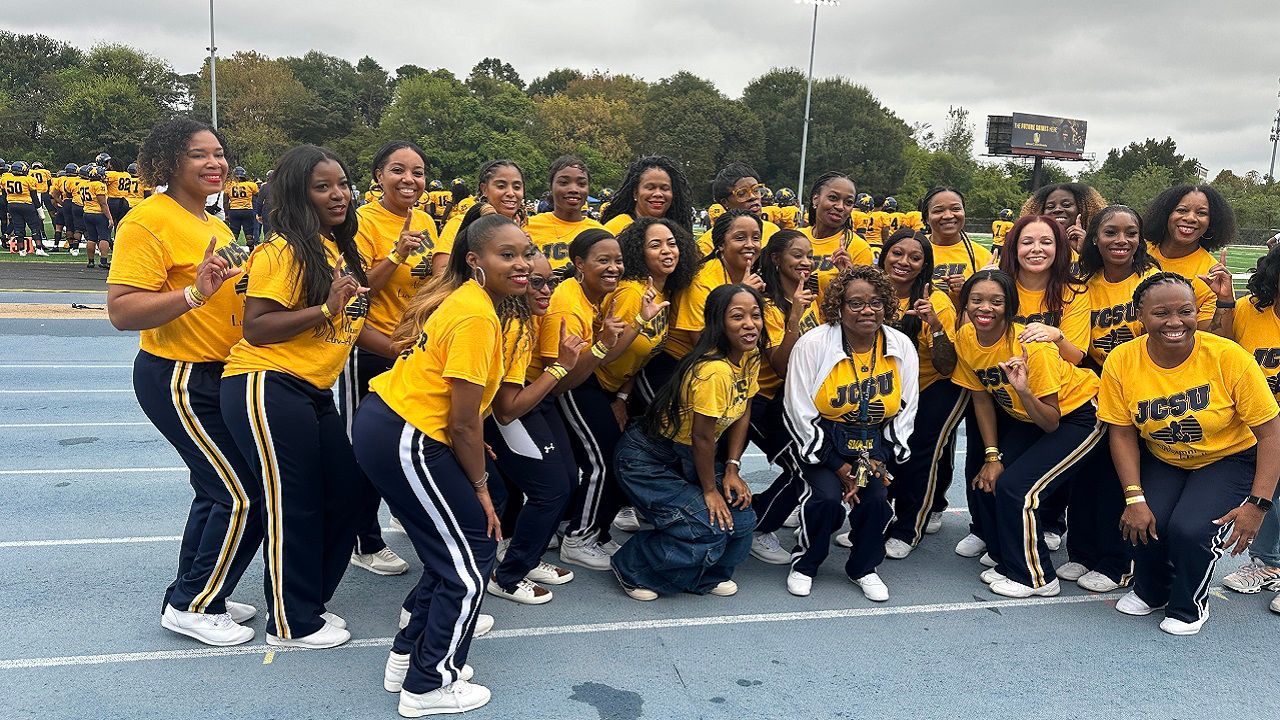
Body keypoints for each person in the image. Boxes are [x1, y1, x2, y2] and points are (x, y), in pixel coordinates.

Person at [352, 213, 531, 716]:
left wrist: (471, 460)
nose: (521, 264)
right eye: (507, 255)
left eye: (526, 252)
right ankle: (430, 684)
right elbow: (463, 423)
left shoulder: (473, 303)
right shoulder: (477, 315)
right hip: (407, 435)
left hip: (398, 426)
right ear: (476, 262)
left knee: (456, 548)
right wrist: (477, 483)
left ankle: (408, 656)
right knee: (472, 562)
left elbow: (460, 414)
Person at [106, 118, 259, 648]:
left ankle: (196, 593)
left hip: (217, 372)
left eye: (220, 154)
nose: (215, 164)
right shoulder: (148, 221)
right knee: (240, 494)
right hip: (179, 375)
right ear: (170, 160)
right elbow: (122, 311)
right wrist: (193, 295)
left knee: (213, 489)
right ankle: (195, 604)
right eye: (200, 155)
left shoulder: (209, 223)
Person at [219, 144, 371, 650]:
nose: (338, 194)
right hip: (266, 382)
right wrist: (325, 309)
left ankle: (307, 599)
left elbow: (351, 324)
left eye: (343, 183)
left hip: (311, 389)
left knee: (348, 494)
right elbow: (258, 327)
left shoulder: (339, 251)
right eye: (322, 186)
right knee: (294, 504)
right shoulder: (283, 250)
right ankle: (291, 620)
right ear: (297, 194)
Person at [1099, 273, 1280, 634]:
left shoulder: (1228, 357)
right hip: (1165, 456)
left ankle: (1189, 604)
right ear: (1140, 314)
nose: (1174, 322)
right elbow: (1120, 433)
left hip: (1228, 457)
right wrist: (1134, 497)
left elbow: (1272, 433)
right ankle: (1152, 590)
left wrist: (1258, 504)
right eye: (1161, 312)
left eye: (1185, 311)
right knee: (1144, 519)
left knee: (1191, 529)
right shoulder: (1122, 360)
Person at [952, 270, 1104, 598]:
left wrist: (1022, 391)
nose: (985, 308)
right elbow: (981, 398)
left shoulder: (1032, 349)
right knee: (988, 477)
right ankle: (1010, 559)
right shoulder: (966, 338)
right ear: (965, 305)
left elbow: (1050, 421)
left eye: (996, 301)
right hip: (1029, 419)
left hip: (1077, 416)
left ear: (1011, 308)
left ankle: (1035, 578)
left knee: (1017, 488)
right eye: (976, 300)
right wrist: (992, 456)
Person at [611, 284, 763, 599]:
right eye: (738, 317)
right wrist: (710, 490)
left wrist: (733, 468)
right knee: (706, 524)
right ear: (718, 323)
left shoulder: (750, 355)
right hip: (649, 460)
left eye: (756, 315)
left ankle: (704, 576)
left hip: (690, 457)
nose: (750, 324)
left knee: (743, 518)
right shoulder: (714, 371)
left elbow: (743, 409)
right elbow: (703, 437)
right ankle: (632, 567)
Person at [340, 141, 443, 578]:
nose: (409, 180)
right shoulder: (361, 221)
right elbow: (356, 288)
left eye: (417, 172)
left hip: (412, 351)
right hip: (371, 347)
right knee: (361, 446)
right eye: (398, 170)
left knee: (407, 440)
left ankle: (399, 506)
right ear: (378, 176)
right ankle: (364, 541)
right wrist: (397, 253)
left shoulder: (423, 219)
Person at [783, 266, 918, 601]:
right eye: (855, 303)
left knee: (876, 500)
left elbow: (906, 409)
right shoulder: (813, 344)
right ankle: (806, 562)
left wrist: (876, 460)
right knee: (826, 499)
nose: (867, 310)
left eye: (875, 303)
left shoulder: (901, 345)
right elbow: (797, 408)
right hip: (823, 441)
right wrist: (839, 466)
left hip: (873, 446)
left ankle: (863, 567)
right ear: (839, 307)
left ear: (887, 304)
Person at [1060, 205, 1160, 593]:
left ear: (1140, 239)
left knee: (1120, 478)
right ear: (1095, 239)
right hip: (1096, 382)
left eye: (1131, 233)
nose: (1121, 241)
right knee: (1086, 472)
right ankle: (1082, 552)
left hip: (1142, 385)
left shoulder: (1153, 279)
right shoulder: (1083, 281)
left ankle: (1118, 561)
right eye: (1111, 233)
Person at [485, 251, 583, 604]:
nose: (546, 291)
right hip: (508, 409)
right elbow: (506, 410)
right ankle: (507, 575)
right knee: (551, 490)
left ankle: (523, 555)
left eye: (550, 282)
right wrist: (560, 367)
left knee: (568, 481)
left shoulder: (529, 319)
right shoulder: (512, 325)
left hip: (533, 399)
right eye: (536, 282)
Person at [530, 229, 629, 570]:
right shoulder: (567, 307)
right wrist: (602, 344)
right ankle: (579, 536)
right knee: (602, 461)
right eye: (603, 260)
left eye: (617, 260)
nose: (613, 267)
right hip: (560, 388)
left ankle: (585, 527)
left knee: (592, 461)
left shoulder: (590, 294)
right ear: (579, 264)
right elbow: (560, 378)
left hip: (580, 381)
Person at [919, 186, 996, 559]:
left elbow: (992, 308)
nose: (948, 216)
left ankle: (976, 521)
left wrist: (959, 299)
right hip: (931, 361)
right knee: (936, 441)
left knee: (980, 445)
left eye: (956, 209)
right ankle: (928, 501)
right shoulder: (917, 249)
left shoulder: (980, 256)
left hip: (973, 360)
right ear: (926, 216)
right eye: (939, 210)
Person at [877, 229, 963, 556]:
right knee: (880, 451)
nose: (904, 262)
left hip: (933, 387)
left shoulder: (935, 301)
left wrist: (936, 325)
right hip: (886, 390)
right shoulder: (871, 290)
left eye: (915, 257)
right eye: (897, 253)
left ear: (925, 265)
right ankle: (878, 517)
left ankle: (908, 528)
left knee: (919, 455)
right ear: (884, 253)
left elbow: (946, 366)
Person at [1204, 245, 1280, 608]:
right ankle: (1269, 564)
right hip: (1254, 426)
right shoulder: (1252, 310)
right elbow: (1217, 349)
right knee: (1268, 493)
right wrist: (1224, 303)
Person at [745, 229, 817, 564]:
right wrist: (794, 318)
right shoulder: (769, 305)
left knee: (810, 466)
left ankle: (756, 516)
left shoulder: (812, 296)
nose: (806, 262)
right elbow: (781, 364)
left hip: (794, 401)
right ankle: (758, 527)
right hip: (758, 400)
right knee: (802, 469)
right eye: (797, 255)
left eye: (809, 255)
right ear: (776, 259)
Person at [1144, 184, 1237, 327]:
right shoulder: (1138, 250)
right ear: (1165, 214)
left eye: (1201, 213)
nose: (1191, 218)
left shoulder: (1211, 276)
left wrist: (1224, 299)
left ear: (1211, 222)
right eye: (1182, 210)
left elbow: (1212, 339)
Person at [524, 155, 604, 270]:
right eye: (564, 182)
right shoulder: (527, 227)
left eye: (581, 184)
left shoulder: (600, 233)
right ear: (551, 187)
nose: (574, 189)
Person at [694, 163, 780, 257]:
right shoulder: (707, 244)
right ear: (725, 203)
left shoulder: (773, 230)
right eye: (742, 193)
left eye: (756, 190)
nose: (752, 197)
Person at [802, 172, 874, 282]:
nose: (840, 207)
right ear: (815, 198)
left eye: (848, 202)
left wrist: (849, 277)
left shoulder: (858, 248)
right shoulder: (797, 237)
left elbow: (863, 296)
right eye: (833, 198)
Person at [600, 155, 693, 236]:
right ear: (635, 193)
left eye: (664, 188)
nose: (658, 194)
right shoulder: (615, 229)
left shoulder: (679, 230)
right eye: (650, 188)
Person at [1019, 182, 1107, 256]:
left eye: (1066, 205)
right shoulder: (1029, 246)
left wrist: (1086, 249)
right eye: (1050, 207)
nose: (1057, 210)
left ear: (1083, 209)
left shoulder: (1100, 244)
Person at [3, 161, 46, 256]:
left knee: (18, 228)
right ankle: (39, 248)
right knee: (35, 227)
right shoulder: (29, 179)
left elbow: (5, 193)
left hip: (12, 205)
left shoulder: (6, 179)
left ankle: (21, 250)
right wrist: (40, 210)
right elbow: (34, 197)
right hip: (26, 205)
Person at [80, 165, 114, 269]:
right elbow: (103, 204)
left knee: (91, 238)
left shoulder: (83, 184)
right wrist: (110, 218)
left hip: (87, 213)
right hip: (98, 214)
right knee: (104, 237)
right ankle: (103, 261)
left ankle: (90, 261)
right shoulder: (99, 185)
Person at [223, 166, 260, 247]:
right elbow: (258, 195)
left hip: (234, 211)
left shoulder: (228, 185)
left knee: (234, 233)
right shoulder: (251, 185)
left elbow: (225, 202)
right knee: (249, 234)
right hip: (247, 210)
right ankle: (251, 252)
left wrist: (226, 214)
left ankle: (232, 252)